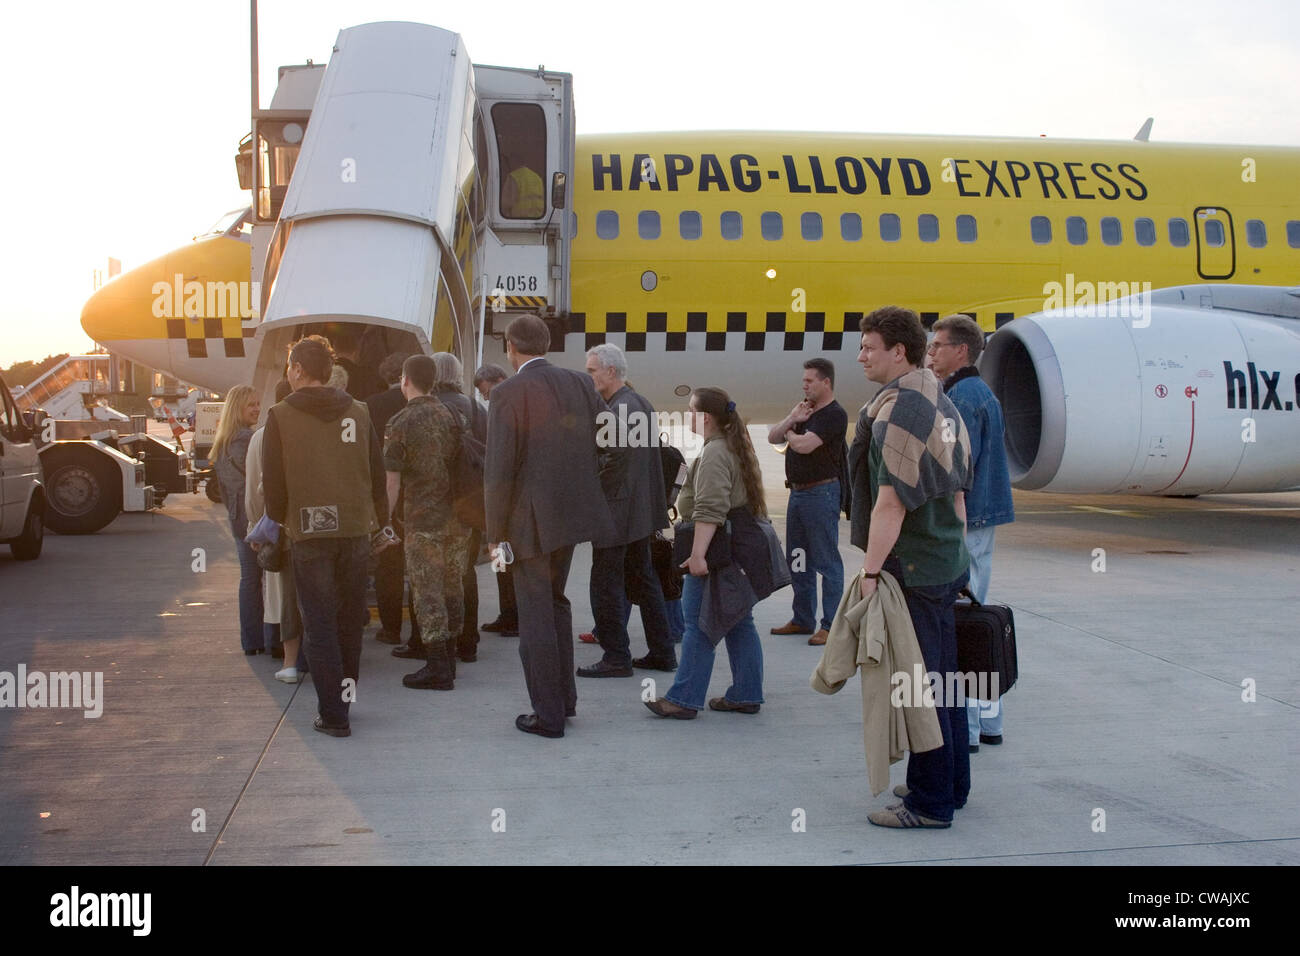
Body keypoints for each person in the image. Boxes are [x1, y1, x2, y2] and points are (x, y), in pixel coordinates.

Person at [851, 306, 972, 828]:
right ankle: (950, 783)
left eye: (869, 348)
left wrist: (871, 572)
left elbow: (890, 504)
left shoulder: (900, 410)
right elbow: (960, 494)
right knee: (945, 683)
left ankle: (928, 803)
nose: (861, 356)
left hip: (915, 569)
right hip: (944, 560)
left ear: (898, 352)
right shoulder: (939, 401)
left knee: (920, 690)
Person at [484, 315, 613, 738]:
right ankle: (565, 701)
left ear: (510, 346)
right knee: (556, 604)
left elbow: (499, 470)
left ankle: (548, 715)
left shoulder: (507, 392)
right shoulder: (580, 383)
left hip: (529, 523)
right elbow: (602, 441)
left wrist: (494, 535)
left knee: (536, 614)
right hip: (571, 517)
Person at [263, 336, 389, 738]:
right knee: (351, 620)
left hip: (309, 531)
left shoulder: (280, 415)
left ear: (298, 369)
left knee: (318, 624)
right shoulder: (360, 410)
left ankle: (333, 714)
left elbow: (274, 485)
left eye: (288, 366)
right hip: (355, 528)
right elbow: (376, 473)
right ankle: (346, 701)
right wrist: (378, 521)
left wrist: (281, 522)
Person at [644, 387, 768, 720]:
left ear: (706, 418)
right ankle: (747, 693)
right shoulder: (727, 447)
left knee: (699, 623)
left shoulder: (715, 452)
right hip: (731, 552)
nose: (685, 415)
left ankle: (684, 699)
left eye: (690, 410)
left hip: (715, 553)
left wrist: (697, 555)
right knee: (740, 622)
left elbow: (710, 508)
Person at [929, 314, 1016, 750]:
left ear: (961, 350)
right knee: (977, 615)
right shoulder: (980, 393)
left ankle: (966, 730)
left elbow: (956, 470)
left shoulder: (960, 398)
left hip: (967, 520)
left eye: (938, 346)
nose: (931, 353)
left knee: (962, 623)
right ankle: (988, 718)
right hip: (984, 516)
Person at [580, 344, 677, 677]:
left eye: (592, 370)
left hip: (617, 514)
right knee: (643, 581)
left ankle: (616, 657)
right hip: (638, 512)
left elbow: (612, 462)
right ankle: (663, 652)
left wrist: (590, 498)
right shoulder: (639, 403)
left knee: (605, 585)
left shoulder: (617, 410)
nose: (588, 375)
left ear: (610, 371)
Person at [385, 354, 463, 690]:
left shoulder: (400, 422)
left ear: (405, 380)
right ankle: (452, 656)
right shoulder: (452, 415)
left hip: (422, 519)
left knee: (426, 590)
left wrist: (384, 520)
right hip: (457, 518)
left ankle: (437, 667)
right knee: (452, 586)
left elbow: (393, 482)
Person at [766, 358, 848, 647]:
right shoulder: (804, 412)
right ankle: (802, 618)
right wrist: (791, 419)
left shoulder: (833, 415)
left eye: (810, 381)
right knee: (798, 558)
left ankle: (831, 625)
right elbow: (771, 437)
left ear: (826, 382)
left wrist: (792, 430)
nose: (805, 385)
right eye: (804, 381)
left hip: (821, 494)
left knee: (826, 560)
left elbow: (803, 445)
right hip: (798, 494)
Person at [430, 351, 486, 664]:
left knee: (435, 575)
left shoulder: (432, 408)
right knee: (466, 573)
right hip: (473, 503)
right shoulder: (477, 408)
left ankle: (439, 643)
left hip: (440, 504)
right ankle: (469, 641)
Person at [246, 378, 303, 682]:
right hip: (297, 526)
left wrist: (256, 527)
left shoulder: (259, 437)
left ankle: (281, 652)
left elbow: (254, 490)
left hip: (274, 526)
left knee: (279, 595)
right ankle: (298, 656)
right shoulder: (303, 431)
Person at [365, 352, 420, 651]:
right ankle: (420, 629)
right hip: (418, 496)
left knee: (389, 566)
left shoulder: (370, 406)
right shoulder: (418, 403)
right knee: (418, 566)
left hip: (384, 493)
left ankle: (390, 628)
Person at [211, 384, 265, 656]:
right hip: (253, 519)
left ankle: (251, 640)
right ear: (238, 410)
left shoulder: (223, 443)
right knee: (261, 579)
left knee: (249, 579)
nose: (257, 409)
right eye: (251, 405)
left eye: (257, 403)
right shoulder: (247, 440)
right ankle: (265, 637)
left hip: (236, 518)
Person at [474, 363, 517, 637]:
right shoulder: (500, 410)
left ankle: (514, 617)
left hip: (512, 500)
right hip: (500, 499)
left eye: (487, 392)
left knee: (510, 562)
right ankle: (508, 614)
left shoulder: (513, 409)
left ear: (500, 380)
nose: (486, 399)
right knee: (501, 562)